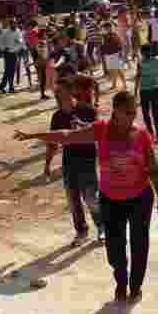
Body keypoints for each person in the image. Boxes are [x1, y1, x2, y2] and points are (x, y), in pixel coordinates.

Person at [14, 91, 158, 304]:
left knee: (139, 243)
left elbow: (152, 168)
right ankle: (121, 282)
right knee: (114, 249)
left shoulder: (141, 134)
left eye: (135, 111)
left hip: (139, 198)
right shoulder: (101, 130)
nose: (133, 115)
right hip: (111, 199)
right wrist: (35, 136)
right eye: (129, 112)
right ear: (116, 111)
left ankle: (135, 288)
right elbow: (67, 136)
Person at [44, 77, 103, 245]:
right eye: (56, 91)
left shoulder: (87, 110)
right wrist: (47, 164)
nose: (57, 94)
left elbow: (99, 132)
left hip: (87, 159)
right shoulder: (56, 116)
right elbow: (53, 142)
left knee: (91, 197)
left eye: (60, 91)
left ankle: (102, 226)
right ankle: (81, 231)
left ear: (70, 91)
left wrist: (82, 125)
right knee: (73, 199)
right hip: (69, 160)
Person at [135, 44, 158, 143]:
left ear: (142, 53)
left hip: (144, 90)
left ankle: (151, 134)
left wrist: (135, 91)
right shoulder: (157, 60)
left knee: (146, 113)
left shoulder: (140, 62)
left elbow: (138, 76)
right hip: (155, 89)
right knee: (155, 112)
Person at [0, 19, 26, 93]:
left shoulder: (18, 31)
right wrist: (3, 48)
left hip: (15, 53)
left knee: (12, 70)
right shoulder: (5, 32)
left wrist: (19, 42)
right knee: (8, 70)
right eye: (13, 23)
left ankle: (7, 86)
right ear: (10, 24)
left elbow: (21, 40)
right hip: (7, 53)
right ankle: (7, 86)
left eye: (15, 23)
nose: (14, 24)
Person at [102, 22, 127, 91]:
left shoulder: (114, 34)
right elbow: (103, 46)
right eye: (105, 28)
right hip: (108, 54)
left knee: (118, 70)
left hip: (115, 54)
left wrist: (121, 53)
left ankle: (123, 84)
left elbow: (120, 43)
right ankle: (114, 84)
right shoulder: (105, 35)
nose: (106, 29)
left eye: (107, 28)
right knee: (112, 70)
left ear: (110, 27)